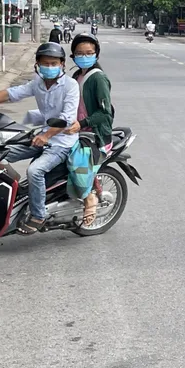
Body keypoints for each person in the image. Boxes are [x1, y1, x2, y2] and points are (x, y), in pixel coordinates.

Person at [0, 42, 79, 235]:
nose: (49, 67)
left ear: (62, 64)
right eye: (45, 63)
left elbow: (67, 118)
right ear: (37, 64)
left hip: (62, 142)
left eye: (54, 63)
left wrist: (46, 135)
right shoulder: (38, 83)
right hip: (40, 136)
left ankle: (38, 215)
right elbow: (11, 94)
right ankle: (17, 191)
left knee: (34, 171)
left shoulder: (70, 86)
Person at [66, 33, 113, 228]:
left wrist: (83, 122)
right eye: (79, 53)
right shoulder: (76, 76)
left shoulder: (98, 78)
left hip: (95, 135)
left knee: (75, 162)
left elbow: (105, 113)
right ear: (73, 55)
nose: (84, 56)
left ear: (96, 55)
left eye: (89, 53)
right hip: (76, 129)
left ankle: (89, 199)